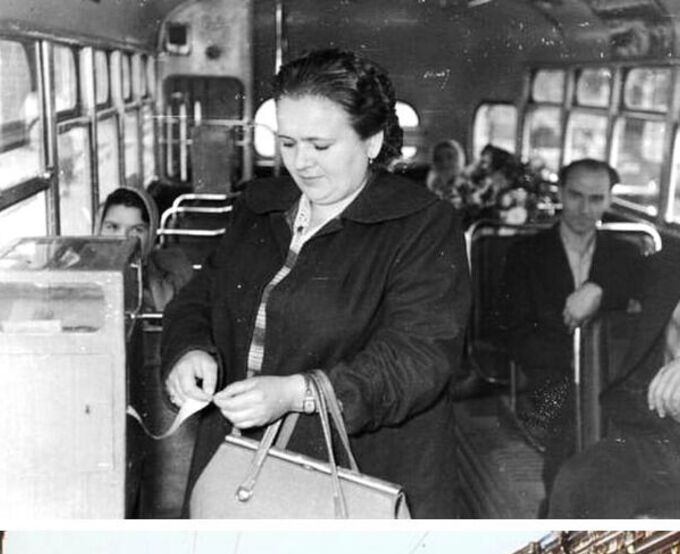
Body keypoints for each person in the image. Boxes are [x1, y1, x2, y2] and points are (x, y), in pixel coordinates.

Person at [161, 48, 470, 517]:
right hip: (238, 465)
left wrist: (298, 393)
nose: (300, 163)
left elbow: (419, 356)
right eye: (287, 143)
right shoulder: (259, 207)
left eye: (320, 145)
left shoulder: (423, 225)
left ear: (371, 142)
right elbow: (202, 296)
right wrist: (190, 349)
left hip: (359, 475)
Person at [548, 184, 680, 516]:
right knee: (574, 480)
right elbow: (625, 265)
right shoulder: (670, 273)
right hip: (653, 436)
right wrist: (597, 287)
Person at [491, 159, 646, 486]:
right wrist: (575, 366)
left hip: (611, 374)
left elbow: (656, 284)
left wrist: (599, 288)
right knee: (573, 419)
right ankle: (559, 500)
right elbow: (512, 330)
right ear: (560, 192)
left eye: (596, 199)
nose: (585, 208)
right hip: (549, 376)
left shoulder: (625, 255)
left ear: (609, 200)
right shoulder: (525, 254)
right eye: (576, 196)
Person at [96, 186, 195, 313]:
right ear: (98, 229)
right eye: (113, 227)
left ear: (151, 235)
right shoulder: (79, 281)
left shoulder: (176, 277)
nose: (123, 238)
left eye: (137, 230)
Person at [425, 138, 470, 209]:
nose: (445, 163)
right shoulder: (432, 186)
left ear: (459, 158)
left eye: (450, 157)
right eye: (439, 159)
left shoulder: (468, 184)